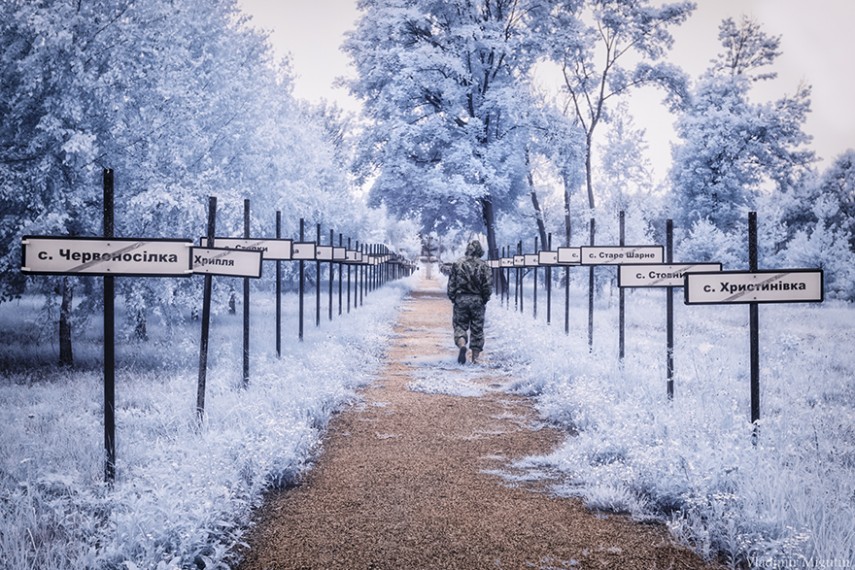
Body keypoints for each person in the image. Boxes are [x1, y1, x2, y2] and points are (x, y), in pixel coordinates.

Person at [447, 239, 493, 364]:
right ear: (480, 251)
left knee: (460, 326)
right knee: (477, 329)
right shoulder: (484, 265)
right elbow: (488, 286)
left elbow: (451, 284)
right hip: (477, 300)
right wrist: (484, 299)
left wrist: (453, 297)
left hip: (461, 300)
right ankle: (475, 358)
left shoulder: (458, 264)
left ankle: (462, 345)